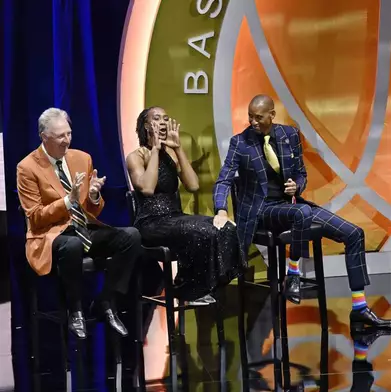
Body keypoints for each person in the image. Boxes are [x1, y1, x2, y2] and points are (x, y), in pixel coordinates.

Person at [213, 95, 391, 329]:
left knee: (354, 233)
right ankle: (294, 273)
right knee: (302, 214)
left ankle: (359, 307)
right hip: (262, 211)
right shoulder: (241, 142)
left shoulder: (289, 136)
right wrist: (220, 209)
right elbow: (224, 179)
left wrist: (296, 185)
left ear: (272, 115)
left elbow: (301, 174)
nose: (253, 122)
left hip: (291, 206)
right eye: (250, 117)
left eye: (258, 117)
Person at [17, 108, 141, 339]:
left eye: (69, 134)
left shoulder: (81, 158)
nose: (67, 140)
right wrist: (67, 201)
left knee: (131, 236)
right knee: (71, 245)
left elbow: (91, 208)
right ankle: (76, 311)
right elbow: (35, 217)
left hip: (83, 228)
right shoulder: (27, 168)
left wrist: (93, 195)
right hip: (51, 235)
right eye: (60, 136)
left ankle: (106, 301)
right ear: (44, 137)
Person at [126, 107, 245, 306]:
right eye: (156, 119)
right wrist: (155, 150)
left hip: (175, 217)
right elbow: (147, 188)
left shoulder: (172, 154)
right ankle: (188, 289)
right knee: (200, 231)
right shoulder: (137, 156)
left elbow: (193, 185)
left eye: (165, 118)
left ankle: (199, 285)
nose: (163, 123)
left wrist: (179, 149)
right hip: (151, 223)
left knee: (225, 227)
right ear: (146, 126)